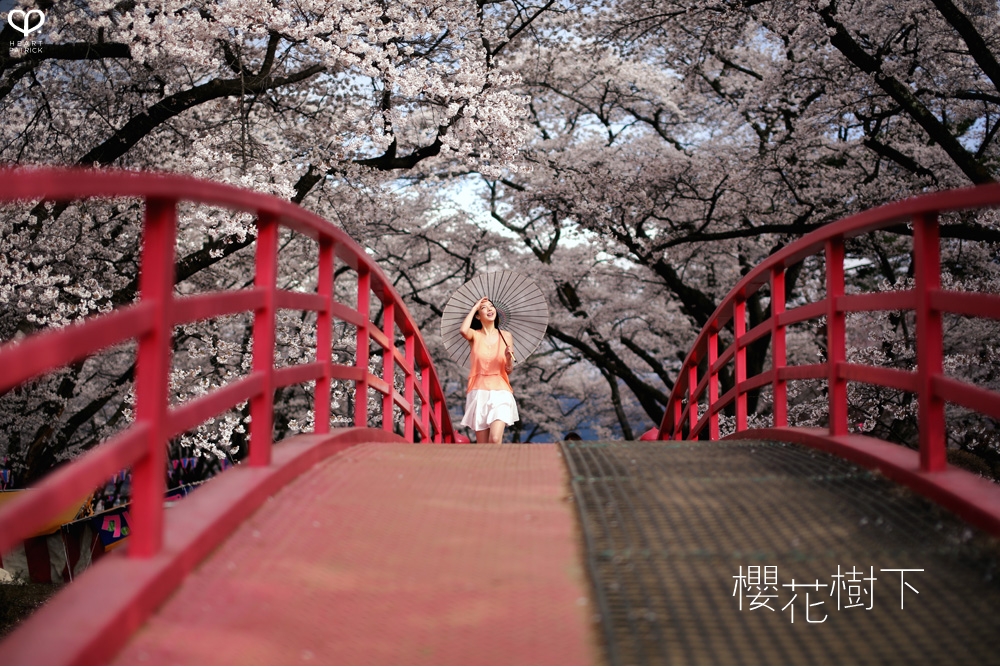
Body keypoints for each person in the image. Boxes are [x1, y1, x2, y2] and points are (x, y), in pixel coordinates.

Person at [460, 296, 517, 443]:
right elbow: (463, 330)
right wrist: (475, 307)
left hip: (501, 390)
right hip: (479, 391)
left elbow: (508, 370)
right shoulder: (474, 335)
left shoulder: (506, 336)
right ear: (478, 316)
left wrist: (508, 358)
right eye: (484, 308)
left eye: (491, 306)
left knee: (496, 438)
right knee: (483, 446)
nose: (489, 309)